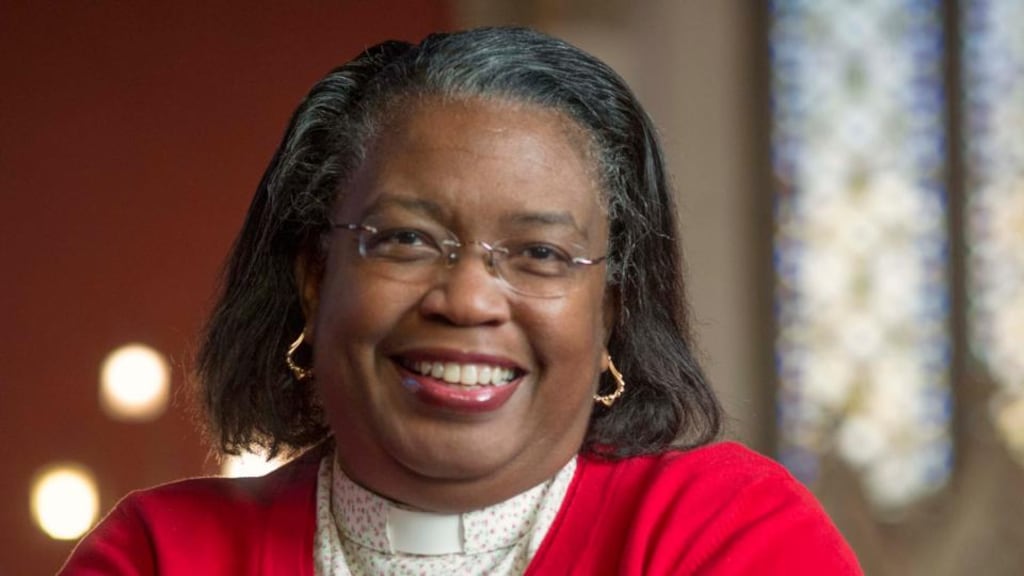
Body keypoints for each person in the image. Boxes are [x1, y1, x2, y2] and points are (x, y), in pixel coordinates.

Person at [61, 27, 861, 575]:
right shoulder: (161, 556)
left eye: (540, 254)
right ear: (315, 277)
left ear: (610, 309)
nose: (469, 298)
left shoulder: (725, 535)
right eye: (407, 239)